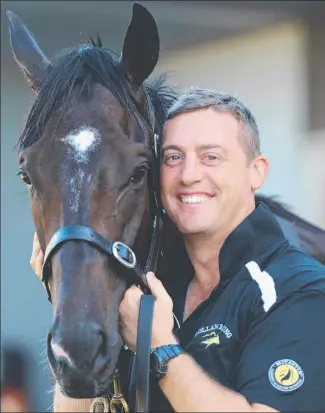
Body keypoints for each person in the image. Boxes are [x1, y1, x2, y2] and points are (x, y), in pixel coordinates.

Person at [31, 87, 325, 412]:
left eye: (210, 157)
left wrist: (159, 345)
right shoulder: (145, 288)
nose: (188, 175)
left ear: (257, 172)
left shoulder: (298, 289)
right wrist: (69, 297)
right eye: (173, 158)